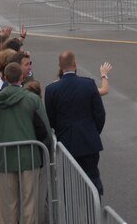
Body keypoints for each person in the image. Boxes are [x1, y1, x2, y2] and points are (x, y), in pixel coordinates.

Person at [0, 63, 52, 224]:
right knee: (29, 204)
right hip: (29, 156)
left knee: (8, 204)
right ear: (21, 77)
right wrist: (44, 150)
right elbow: (44, 130)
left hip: (5, 157)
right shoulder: (32, 99)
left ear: (6, 78)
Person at [45, 51, 108, 195]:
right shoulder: (88, 84)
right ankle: (94, 208)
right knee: (92, 175)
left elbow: (51, 118)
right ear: (75, 64)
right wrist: (93, 131)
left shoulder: (51, 90)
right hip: (88, 139)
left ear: (60, 67)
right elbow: (100, 114)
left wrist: (60, 130)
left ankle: (70, 211)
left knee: (69, 179)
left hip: (66, 140)